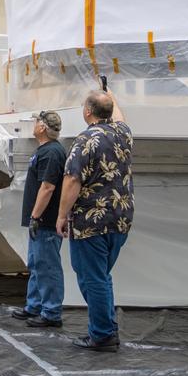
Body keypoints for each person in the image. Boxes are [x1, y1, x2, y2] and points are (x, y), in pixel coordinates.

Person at [56, 90, 133, 353]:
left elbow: (72, 180)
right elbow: (118, 115)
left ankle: (102, 335)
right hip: (120, 218)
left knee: (92, 278)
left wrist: (61, 215)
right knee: (102, 276)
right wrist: (111, 94)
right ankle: (106, 328)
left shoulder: (85, 140)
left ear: (87, 112)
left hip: (92, 220)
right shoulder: (123, 134)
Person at [11, 110, 67, 328]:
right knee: (36, 263)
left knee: (48, 266)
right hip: (41, 222)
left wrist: (36, 216)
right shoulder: (45, 150)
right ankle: (34, 306)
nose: (33, 125)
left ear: (42, 127)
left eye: (36, 122)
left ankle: (52, 313)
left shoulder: (52, 153)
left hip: (46, 221)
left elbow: (48, 187)